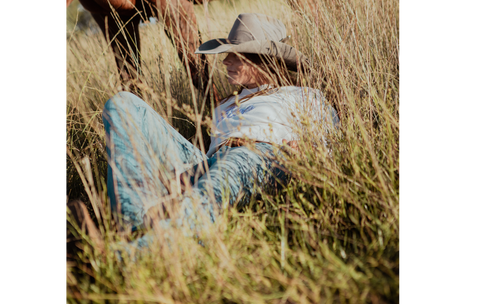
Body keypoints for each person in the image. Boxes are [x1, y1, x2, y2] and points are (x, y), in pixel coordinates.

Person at [80, 13, 339, 252]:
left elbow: (329, 140)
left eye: (235, 55)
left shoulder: (303, 96)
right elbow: (214, 155)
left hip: (260, 157)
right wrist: (194, 171)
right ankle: (132, 225)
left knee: (219, 182)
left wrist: (306, 152)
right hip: (213, 163)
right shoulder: (225, 105)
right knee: (124, 104)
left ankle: (130, 256)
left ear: (261, 59)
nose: (225, 61)